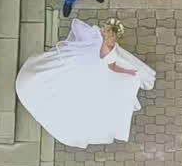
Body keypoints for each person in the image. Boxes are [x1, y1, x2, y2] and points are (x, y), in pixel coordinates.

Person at [15, 17, 156, 150]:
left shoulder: (103, 43)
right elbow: (112, 67)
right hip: (102, 66)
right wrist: (127, 72)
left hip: (92, 61)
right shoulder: (107, 49)